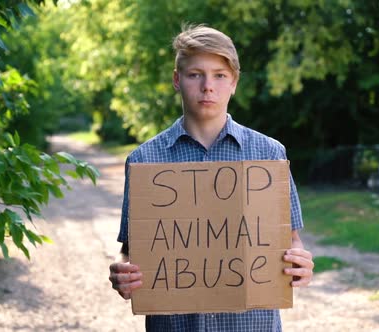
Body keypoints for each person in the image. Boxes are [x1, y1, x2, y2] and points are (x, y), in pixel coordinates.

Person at [109, 24, 314, 331]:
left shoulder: (269, 155)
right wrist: (123, 276)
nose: (208, 86)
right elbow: (132, 252)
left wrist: (301, 266)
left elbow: (292, 242)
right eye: (195, 74)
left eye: (220, 75)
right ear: (177, 80)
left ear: (234, 82)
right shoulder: (144, 161)